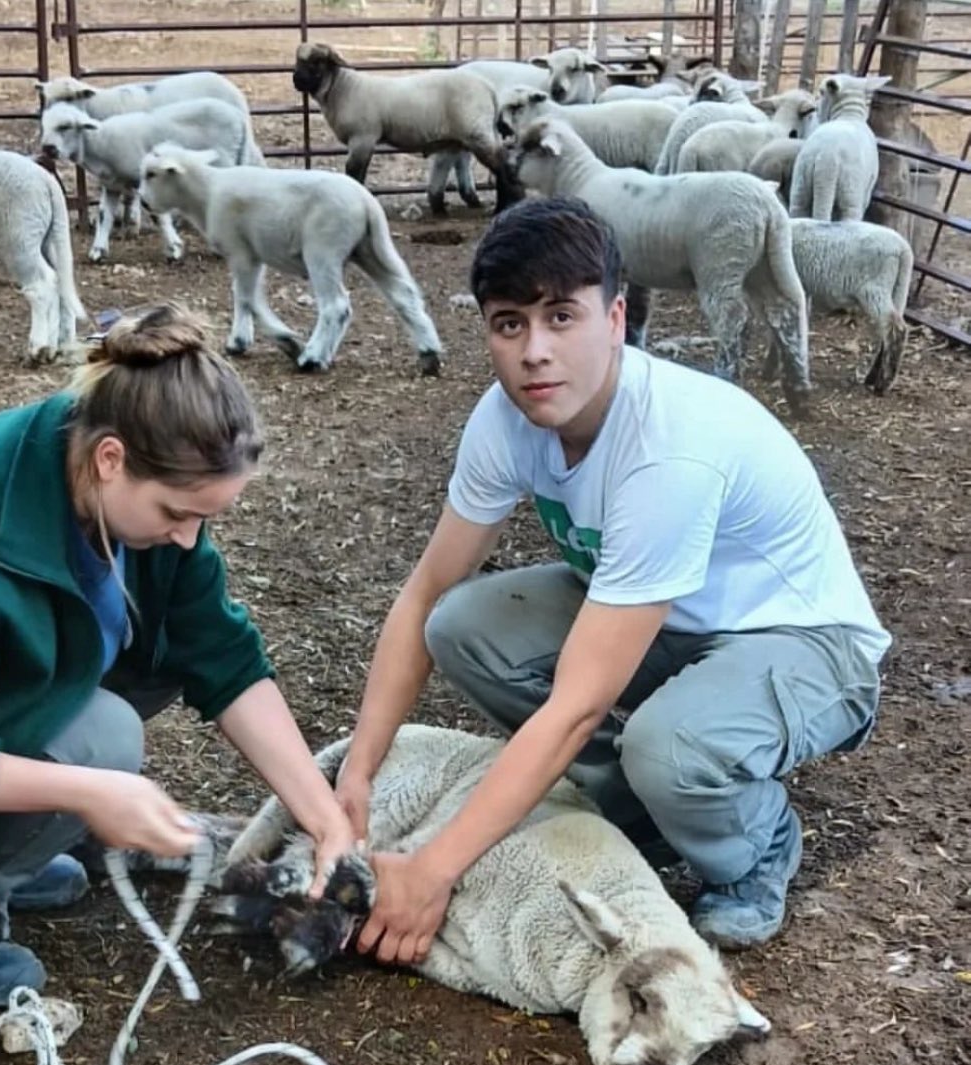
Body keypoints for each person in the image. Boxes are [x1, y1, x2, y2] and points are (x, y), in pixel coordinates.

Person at [336, 196, 890, 965]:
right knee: (460, 624)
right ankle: (641, 812)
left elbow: (578, 703)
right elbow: (426, 591)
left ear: (617, 316)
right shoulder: (505, 420)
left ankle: (757, 844)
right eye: (509, 323)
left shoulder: (669, 449)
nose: (534, 351)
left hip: (802, 641)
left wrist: (431, 871)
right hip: (666, 619)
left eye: (560, 316)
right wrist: (358, 774)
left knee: (669, 749)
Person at [0, 302, 355, 1009]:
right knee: (102, 741)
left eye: (206, 518)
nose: (189, 538)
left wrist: (319, 812)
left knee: (127, 690)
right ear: (110, 459)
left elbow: (221, 653)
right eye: (177, 513)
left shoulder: (118, 480)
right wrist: (83, 792)